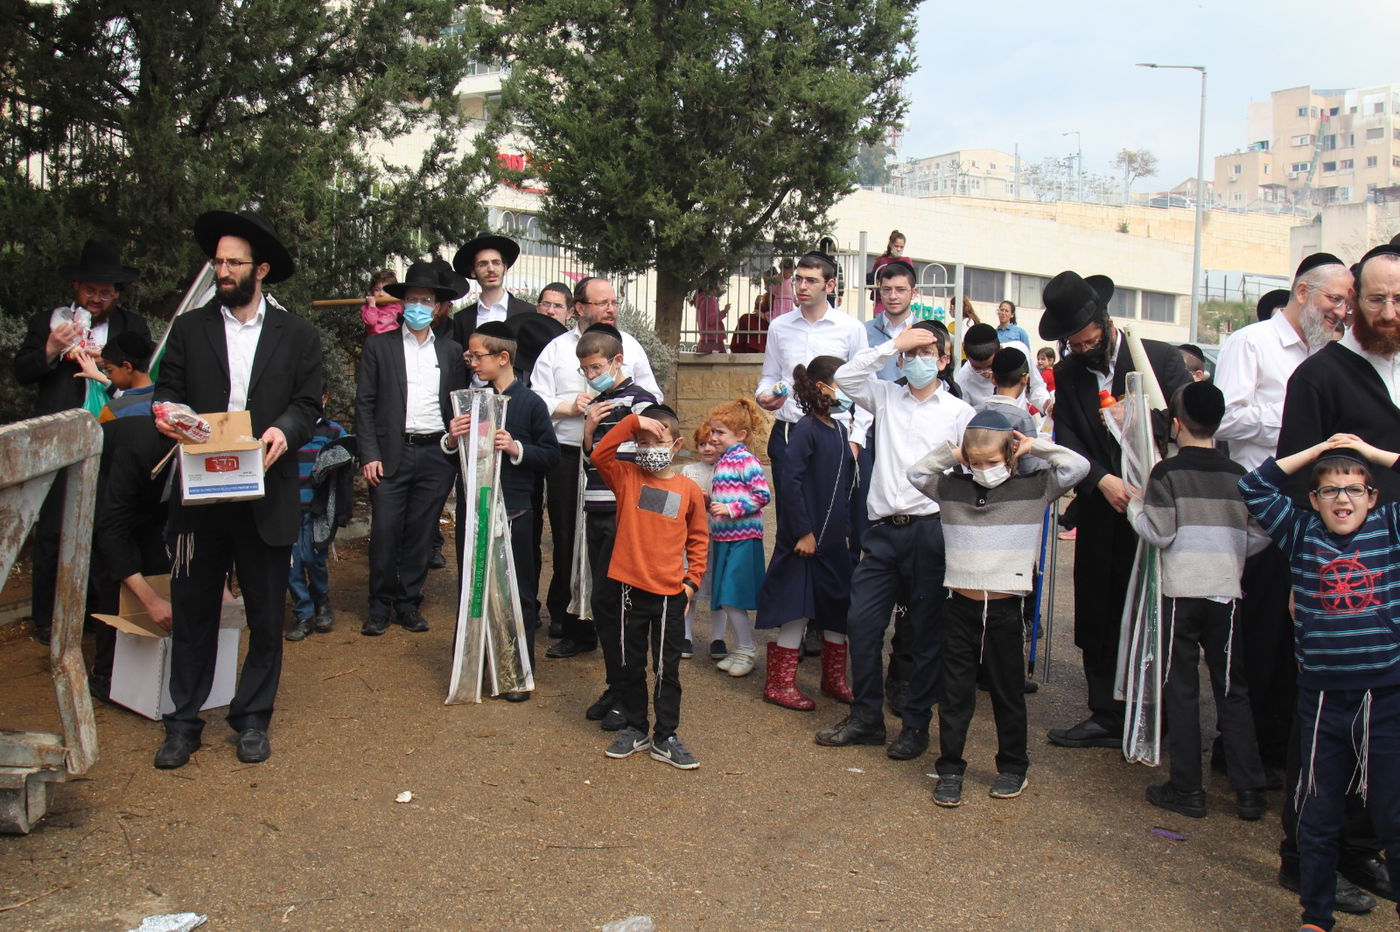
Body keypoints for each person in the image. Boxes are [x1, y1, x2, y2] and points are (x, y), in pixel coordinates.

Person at [151, 209, 323, 770]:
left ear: (261, 270)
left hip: (266, 493)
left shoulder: (297, 335)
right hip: (200, 496)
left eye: (233, 263)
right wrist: (169, 415)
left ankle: (252, 719)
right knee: (193, 612)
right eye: (218, 262)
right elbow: (167, 391)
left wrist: (285, 430)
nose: (222, 271)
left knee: (266, 617)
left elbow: (308, 404)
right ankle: (183, 722)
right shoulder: (189, 329)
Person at [1275, 243, 1400, 910]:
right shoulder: (1319, 378)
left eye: (1399, 300)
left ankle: (1359, 847)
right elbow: (1294, 481)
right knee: (1324, 722)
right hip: (1340, 581)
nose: (1389, 311)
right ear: (1352, 302)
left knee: (1387, 722)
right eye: (1377, 299)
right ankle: (1303, 856)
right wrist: (1304, 578)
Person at [1240, 435, 1400, 932]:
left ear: (1373, 497)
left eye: (1354, 490)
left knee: (1393, 813)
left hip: (1385, 696)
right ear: (1313, 499)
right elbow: (1252, 486)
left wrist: (1369, 453)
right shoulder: (1300, 532)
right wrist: (1317, 453)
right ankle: (1316, 915)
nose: (1342, 500)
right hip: (1322, 697)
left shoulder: (1390, 528)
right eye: (1330, 490)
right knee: (1317, 809)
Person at [1037, 270, 1191, 750]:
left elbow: (1186, 425)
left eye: (1090, 341)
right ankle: (1104, 710)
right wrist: (1101, 479)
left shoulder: (1159, 358)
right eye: (1075, 344)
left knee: (1150, 607)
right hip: (1103, 506)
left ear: (1105, 324)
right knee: (1098, 606)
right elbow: (1068, 438)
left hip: (1155, 506)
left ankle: (1152, 710)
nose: (1084, 350)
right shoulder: (1069, 373)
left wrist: (1144, 424)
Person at [1215, 252, 1351, 776]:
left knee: (1297, 640)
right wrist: (1299, 417)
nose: (1341, 310)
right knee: (1259, 636)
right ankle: (1243, 752)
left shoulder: (1332, 352)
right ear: (1302, 292)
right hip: (1263, 512)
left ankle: (1283, 749)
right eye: (1334, 298)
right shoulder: (1253, 343)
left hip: (1315, 515)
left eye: (1347, 302)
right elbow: (1225, 417)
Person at [908, 409, 1088, 806]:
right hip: (959, 605)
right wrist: (953, 456)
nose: (984, 469)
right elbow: (916, 473)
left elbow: (1079, 467)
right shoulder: (951, 487)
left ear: (1010, 454)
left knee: (1008, 694)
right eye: (976, 462)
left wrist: (1035, 446)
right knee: (955, 696)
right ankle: (950, 769)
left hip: (1006, 609)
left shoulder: (1036, 486)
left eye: (991, 461)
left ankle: (1013, 767)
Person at [815, 321, 974, 759]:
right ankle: (867, 717)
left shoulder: (959, 413)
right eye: (912, 353)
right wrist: (893, 345)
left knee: (924, 633)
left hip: (931, 530)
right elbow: (846, 377)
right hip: (883, 531)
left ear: (944, 360)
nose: (919, 361)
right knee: (862, 624)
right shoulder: (885, 396)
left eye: (928, 353)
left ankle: (916, 724)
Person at [1126, 382, 1269, 821]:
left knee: (1182, 687)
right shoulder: (1239, 475)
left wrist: (1135, 507)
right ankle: (1251, 791)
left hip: (1180, 591)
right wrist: (1230, 552)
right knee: (1232, 689)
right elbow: (1262, 532)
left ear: (1177, 423)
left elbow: (1161, 532)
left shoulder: (1166, 473)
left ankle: (1187, 788)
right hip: (1226, 590)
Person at [15, 237, 150, 645]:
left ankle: (95, 611)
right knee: (54, 529)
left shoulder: (133, 328)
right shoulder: (49, 322)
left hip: (112, 438)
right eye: (90, 290)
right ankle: (47, 617)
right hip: (60, 440)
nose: (96, 298)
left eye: (105, 292)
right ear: (76, 287)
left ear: (118, 293)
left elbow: (143, 381)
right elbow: (22, 372)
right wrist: (51, 348)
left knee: (105, 525)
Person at [530, 276, 662, 661]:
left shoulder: (629, 346)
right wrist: (569, 407)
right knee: (569, 537)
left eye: (613, 302)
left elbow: (653, 398)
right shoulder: (556, 349)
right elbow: (536, 398)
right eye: (601, 303)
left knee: (612, 539)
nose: (610, 309)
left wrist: (623, 408)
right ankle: (571, 621)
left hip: (619, 462)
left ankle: (613, 621)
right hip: (569, 454)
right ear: (579, 308)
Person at [445, 321, 560, 697]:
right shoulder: (471, 401)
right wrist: (452, 438)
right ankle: (474, 665)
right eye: (470, 356)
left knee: (517, 589)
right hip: (474, 509)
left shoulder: (530, 403)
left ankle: (515, 671)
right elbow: (453, 456)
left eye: (477, 356)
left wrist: (515, 448)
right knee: (473, 585)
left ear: (503, 357)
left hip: (514, 511)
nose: (472, 362)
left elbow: (551, 456)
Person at [590, 405, 709, 769]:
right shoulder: (626, 477)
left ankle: (666, 736)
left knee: (666, 669)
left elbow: (698, 539)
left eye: (657, 442)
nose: (649, 449)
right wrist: (632, 423)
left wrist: (692, 582)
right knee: (630, 664)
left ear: (677, 444)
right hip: (629, 592)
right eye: (641, 442)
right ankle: (635, 727)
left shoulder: (689, 490)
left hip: (670, 594)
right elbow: (599, 454)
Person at [356, 260, 467, 637]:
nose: (419, 306)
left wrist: (453, 442)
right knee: (385, 530)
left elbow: (456, 403)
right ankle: (379, 604)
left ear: (438, 308)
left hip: (436, 454)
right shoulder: (379, 346)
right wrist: (369, 454)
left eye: (427, 300)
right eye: (413, 299)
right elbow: (365, 404)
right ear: (403, 303)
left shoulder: (451, 351)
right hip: (391, 453)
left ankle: (408, 602)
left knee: (421, 532)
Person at [756, 355, 858, 709]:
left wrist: (844, 531)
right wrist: (802, 531)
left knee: (836, 606)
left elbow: (844, 487)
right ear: (821, 387)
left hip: (833, 541)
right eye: (843, 384)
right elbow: (790, 482)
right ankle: (779, 684)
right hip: (805, 541)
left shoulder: (840, 430)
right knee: (797, 608)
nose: (849, 392)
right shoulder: (805, 429)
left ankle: (834, 679)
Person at [575, 323, 659, 723]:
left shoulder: (641, 401)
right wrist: (588, 431)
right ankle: (616, 684)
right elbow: (590, 462)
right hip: (595, 510)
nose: (592, 375)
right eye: (585, 370)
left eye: (596, 367)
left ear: (617, 361)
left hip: (625, 514)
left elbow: (655, 454)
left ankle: (630, 695)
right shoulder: (597, 404)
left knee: (623, 606)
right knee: (603, 604)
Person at [86, 333, 173, 702]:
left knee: (156, 566)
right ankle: (106, 676)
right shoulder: (138, 450)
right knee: (115, 582)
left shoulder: (189, 462)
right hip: (107, 495)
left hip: (150, 508)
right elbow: (112, 531)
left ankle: (150, 665)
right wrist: (150, 600)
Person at [755, 250, 870, 507]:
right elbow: (770, 376)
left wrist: (856, 438)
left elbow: (864, 387)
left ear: (830, 285)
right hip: (789, 429)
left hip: (833, 428)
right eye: (798, 279)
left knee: (830, 512)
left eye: (811, 280)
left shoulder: (851, 328)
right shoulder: (779, 326)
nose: (802, 286)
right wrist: (764, 396)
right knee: (790, 513)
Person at [704, 397, 771, 678]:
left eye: (720, 432)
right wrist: (709, 502)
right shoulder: (723, 462)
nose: (712, 437)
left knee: (731, 595)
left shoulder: (746, 460)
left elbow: (762, 495)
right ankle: (741, 648)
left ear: (740, 434)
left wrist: (731, 508)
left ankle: (747, 649)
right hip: (724, 538)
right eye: (712, 431)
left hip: (743, 537)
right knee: (724, 596)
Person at [285, 395, 346, 642]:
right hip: (287, 509)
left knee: (313, 558)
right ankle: (304, 614)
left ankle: (322, 602)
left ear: (325, 398)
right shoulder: (285, 428)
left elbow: (348, 455)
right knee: (291, 564)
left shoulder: (333, 431)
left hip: (316, 511)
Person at [679, 427, 721, 660]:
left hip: (718, 535)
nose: (707, 448)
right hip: (692, 537)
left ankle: (718, 638)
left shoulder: (725, 470)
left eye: (712, 444)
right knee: (689, 584)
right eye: (702, 444)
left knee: (718, 588)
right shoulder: (689, 470)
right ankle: (685, 636)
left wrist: (709, 500)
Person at [450, 234, 535, 342]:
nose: (491, 269)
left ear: (505, 268)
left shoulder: (528, 312)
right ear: (473, 272)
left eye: (496, 263)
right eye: (482, 264)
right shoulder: (462, 319)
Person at [955, 322, 1050, 413]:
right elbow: (965, 415)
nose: (986, 374)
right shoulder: (962, 380)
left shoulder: (1018, 355)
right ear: (967, 358)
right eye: (978, 369)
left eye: (990, 367)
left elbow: (1035, 387)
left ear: (1000, 349)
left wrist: (1047, 404)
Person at [731, 272, 773, 354]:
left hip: (768, 321)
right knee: (745, 318)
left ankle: (758, 348)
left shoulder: (778, 295)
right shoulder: (766, 295)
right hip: (760, 318)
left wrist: (764, 315)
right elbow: (758, 308)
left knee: (749, 321)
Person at [868, 229, 906, 314]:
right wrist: (875, 283)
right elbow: (872, 278)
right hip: (881, 300)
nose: (899, 249)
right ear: (890, 244)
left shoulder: (906, 261)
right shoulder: (881, 261)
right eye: (896, 246)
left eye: (901, 247)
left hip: (900, 301)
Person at [361, 270, 401, 339]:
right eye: (377, 290)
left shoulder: (396, 305)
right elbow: (371, 322)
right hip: (375, 340)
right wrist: (372, 306)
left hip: (392, 339)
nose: (381, 294)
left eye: (386, 290)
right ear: (372, 291)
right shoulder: (367, 307)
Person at [692, 281, 728, 354]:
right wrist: (725, 311)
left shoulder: (700, 300)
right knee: (721, 361)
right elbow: (711, 320)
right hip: (713, 340)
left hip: (703, 340)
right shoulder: (710, 299)